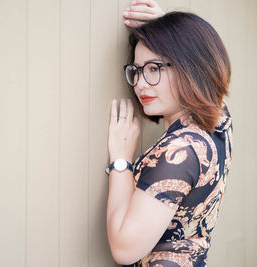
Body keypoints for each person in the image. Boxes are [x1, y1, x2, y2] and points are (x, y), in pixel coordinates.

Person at [106, 1, 233, 266]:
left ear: (189, 66)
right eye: (138, 70)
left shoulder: (182, 150)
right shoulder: (219, 124)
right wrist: (170, 30)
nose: (141, 83)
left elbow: (123, 248)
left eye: (154, 69)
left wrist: (121, 162)